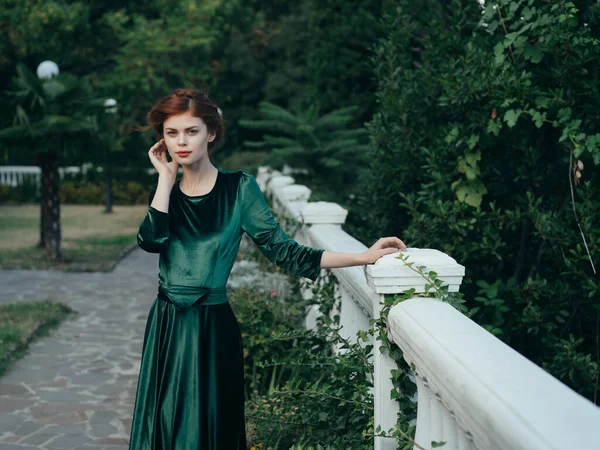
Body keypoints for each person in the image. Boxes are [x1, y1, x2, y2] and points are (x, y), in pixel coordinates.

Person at [128, 87, 407, 449]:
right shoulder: (166, 196)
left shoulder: (238, 190)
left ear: (211, 133)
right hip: (167, 326)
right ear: (163, 140)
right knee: (162, 429)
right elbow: (150, 242)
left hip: (212, 330)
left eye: (191, 131)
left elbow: (284, 251)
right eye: (172, 133)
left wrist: (363, 257)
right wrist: (165, 181)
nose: (181, 142)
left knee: (208, 432)